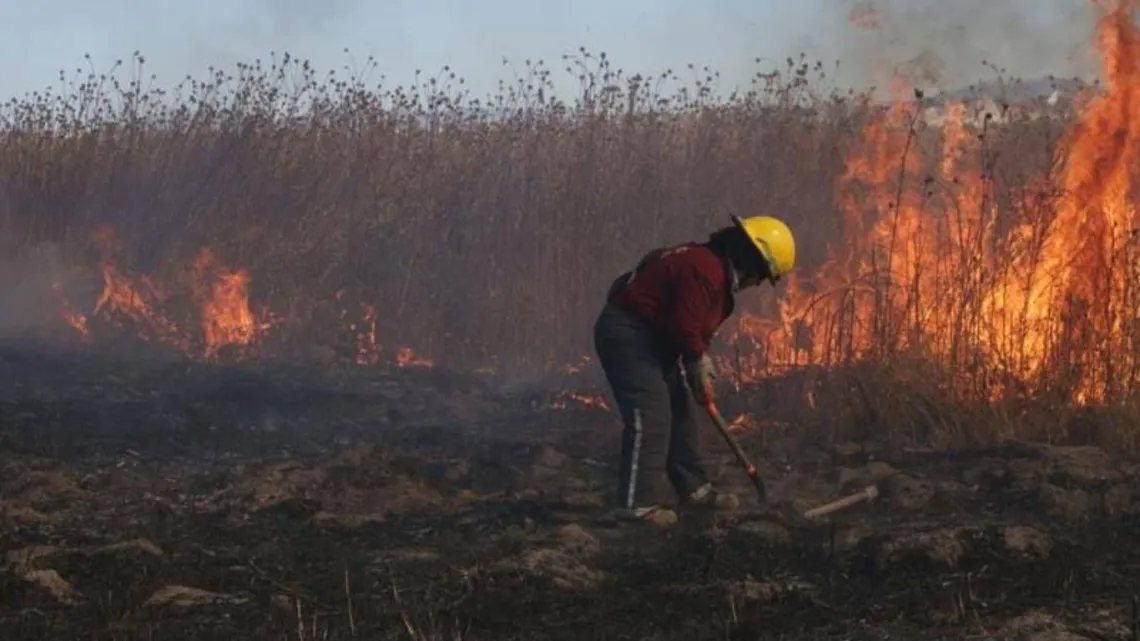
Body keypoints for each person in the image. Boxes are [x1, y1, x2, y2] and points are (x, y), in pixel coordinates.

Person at [594, 215, 796, 526]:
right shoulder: (704, 269)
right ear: (751, 259)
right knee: (651, 416)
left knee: (680, 413)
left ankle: (695, 491)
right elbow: (685, 325)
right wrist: (696, 360)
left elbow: (692, 328)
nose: (756, 283)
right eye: (762, 275)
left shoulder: (711, 273)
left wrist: (697, 369)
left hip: (656, 342)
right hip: (629, 336)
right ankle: (635, 506)